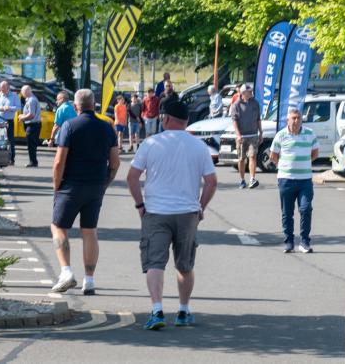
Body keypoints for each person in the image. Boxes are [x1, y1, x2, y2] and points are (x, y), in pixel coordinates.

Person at [126, 100, 217, 330]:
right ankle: (183, 311)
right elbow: (211, 182)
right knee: (184, 265)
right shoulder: (199, 146)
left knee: (154, 263)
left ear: (166, 119)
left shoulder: (151, 143)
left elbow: (132, 177)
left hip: (156, 212)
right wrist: (201, 207)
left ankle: (157, 310)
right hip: (187, 213)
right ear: (186, 121)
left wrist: (140, 205)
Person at [50, 89, 120, 295]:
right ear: (94, 104)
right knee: (89, 230)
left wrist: (56, 185)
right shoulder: (107, 127)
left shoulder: (69, 126)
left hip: (71, 185)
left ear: (75, 106)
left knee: (58, 227)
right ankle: (89, 280)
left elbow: (59, 161)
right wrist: (106, 182)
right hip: (96, 185)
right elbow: (115, 162)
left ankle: (66, 272)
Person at [269, 107, 319, 253]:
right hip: (286, 180)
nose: (296, 121)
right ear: (288, 120)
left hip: (305, 180)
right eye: (293, 118)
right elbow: (273, 155)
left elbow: (315, 153)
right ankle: (289, 242)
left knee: (306, 209)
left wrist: (303, 163)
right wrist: (283, 166)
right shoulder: (281, 135)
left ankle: (304, 242)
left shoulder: (310, 134)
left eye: (298, 118)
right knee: (287, 212)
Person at [232, 84, 261, 189]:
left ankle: (252, 179)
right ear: (243, 93)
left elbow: (258, 119)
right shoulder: (236, 105)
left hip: (253, 135)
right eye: (249, 92)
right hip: (242, 136)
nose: (251, 93)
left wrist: (261, 132)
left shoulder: (255, 103)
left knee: (252, 156)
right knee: (241, 159)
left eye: (251, 91)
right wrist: (238, 135)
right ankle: (242, 180)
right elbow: (234, 121)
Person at [0, 81, 21, 165]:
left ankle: (11, 159)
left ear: (8, 87)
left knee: (10, 140)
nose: (1, 89)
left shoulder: (14, 96)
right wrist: (0, 108)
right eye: (1, 87)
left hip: (9, 121)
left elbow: (18, 107)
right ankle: (0, 159)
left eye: (3, 87)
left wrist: (9, 108)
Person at [18, 85, 42, 167]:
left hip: (33, 125)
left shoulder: (31, 100)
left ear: (26, 91)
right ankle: (33, 161)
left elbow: (31, 115)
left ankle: (33, 162)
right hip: (33, 124)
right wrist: (23, 116)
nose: (22, 93)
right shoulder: (31, 99)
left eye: (22, 92)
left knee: (31, 145)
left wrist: (22, 118)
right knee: (32, 144)